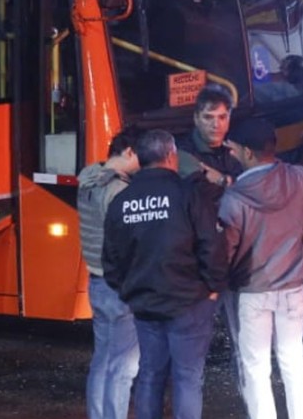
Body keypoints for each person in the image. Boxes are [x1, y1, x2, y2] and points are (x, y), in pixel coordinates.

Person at [102, 129, 228, 419]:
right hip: (189, 302)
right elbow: (212, 245)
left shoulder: (122, 201)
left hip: (145, 304)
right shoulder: (188, 194)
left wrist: (129, 290)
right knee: (186, 378)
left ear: (140, 158)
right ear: (171, 156)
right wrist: (213, 287)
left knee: (150, 375)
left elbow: (110, 258)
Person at [219, 118, 303, 419]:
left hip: (253, 290)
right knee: (293, 362)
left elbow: (227, 251)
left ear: (248, 152)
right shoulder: (301, 179)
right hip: (293, 289)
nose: (231, 154)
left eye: (233, 149)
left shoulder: (233, 199)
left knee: (256, 367)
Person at [78, 127, 141, 419]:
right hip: (118, 287)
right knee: (124, 367)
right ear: (128, 151)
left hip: (96, 281)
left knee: (102, 361)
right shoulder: (118, 190)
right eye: (141, 157)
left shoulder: (89, 178)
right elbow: (127, 241)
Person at [177, 84, 243, 191]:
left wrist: (223, 180)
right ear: (196, 118)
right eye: (208, 117)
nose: (216, 125)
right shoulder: (183, 153)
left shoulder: (238, 149)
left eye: (222, 117)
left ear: (229, 119)